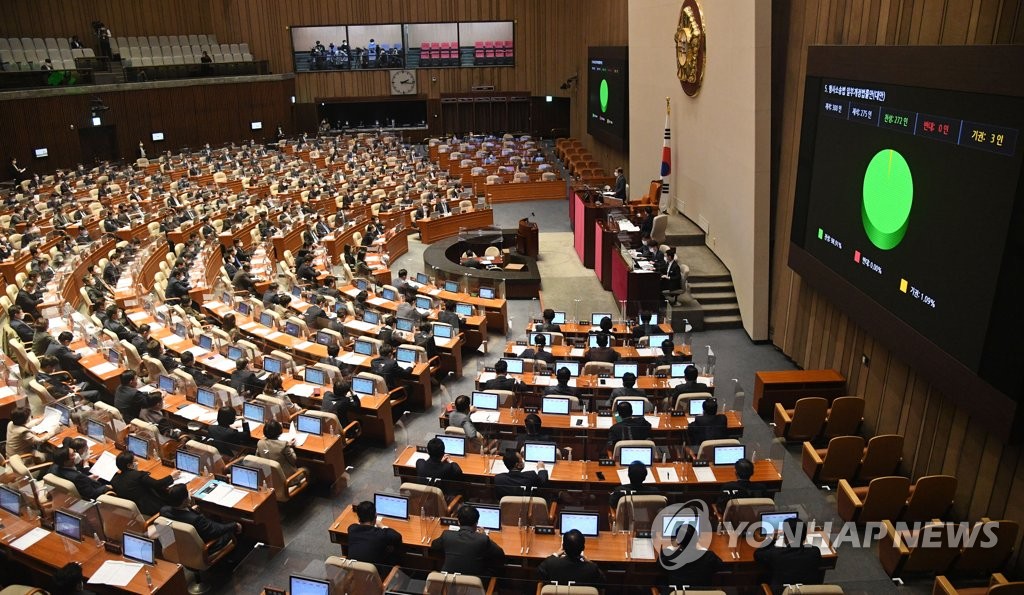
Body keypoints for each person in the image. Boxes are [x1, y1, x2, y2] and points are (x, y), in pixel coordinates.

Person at [428, 504, 505, 578]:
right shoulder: (482, 539)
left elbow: (434, 546)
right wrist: (484, 535)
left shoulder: (447, 535)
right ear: (477, 523)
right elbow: (500, 554)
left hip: (449, 584)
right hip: (474, 585)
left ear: (458, 521)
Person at [161, 484, 240, 552]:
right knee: (234, 529)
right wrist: (234, 525)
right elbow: (215, 531)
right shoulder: (196, 519)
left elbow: (181, 515)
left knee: (215, 517)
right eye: (188, 493)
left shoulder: (164, 511)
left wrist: (190, 510)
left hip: (182, 546)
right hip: (206, 547)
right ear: (185, 500)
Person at [754, 518, 824, 592]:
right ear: (804, 536)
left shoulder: (776, 554)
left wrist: (771, 538)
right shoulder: (815, 552)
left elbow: (757, 554)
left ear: (786, 537)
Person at [659, 523, 723, 591]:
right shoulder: (709, 557)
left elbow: (660, 563)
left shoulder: (671, 557)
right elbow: (720, 566)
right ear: (697, 539)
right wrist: (701, 548)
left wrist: (672, 547)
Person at [347, 500, 403, 576]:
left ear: (359, 518)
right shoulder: (380, 534)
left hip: (355, 576)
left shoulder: (352, 529)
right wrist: (382, 526)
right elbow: (397, 537)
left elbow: (357, 526)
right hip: (376, 578)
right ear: (375, 516)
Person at [111, 451, 174, 516]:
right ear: (129, 465)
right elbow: (157, 484)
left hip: (135, 511)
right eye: (135, 461)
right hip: (150, 508)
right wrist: (172, 476)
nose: (137, 462)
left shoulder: (114, 480)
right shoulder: (138, 476)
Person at [537, 529, 606, 588]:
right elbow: (602, 580)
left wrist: (556, 554)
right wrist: (588, 561)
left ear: (563, 547)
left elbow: (541, 569)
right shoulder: (592, 569)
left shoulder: (551, 564)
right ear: (583, 548)